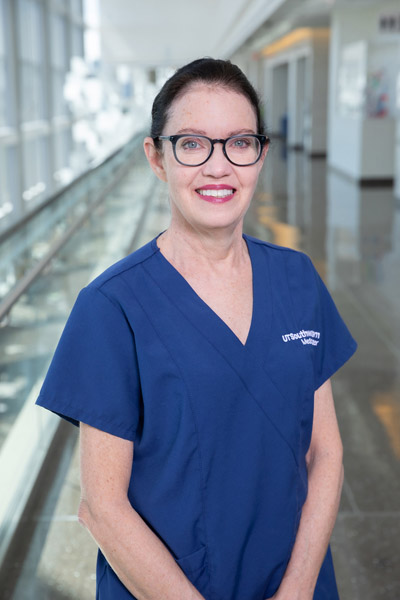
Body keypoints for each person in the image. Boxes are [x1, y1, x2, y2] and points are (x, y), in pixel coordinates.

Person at [36, 57, 357, 600]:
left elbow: (325, 453)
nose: (218, 167)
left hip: (294, 582)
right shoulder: (111, 307)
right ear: (156, 158)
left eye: (239, 143)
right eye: (191, 143)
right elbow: (102, 507)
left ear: (260, 155)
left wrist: (299, 588)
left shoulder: (297, 279)